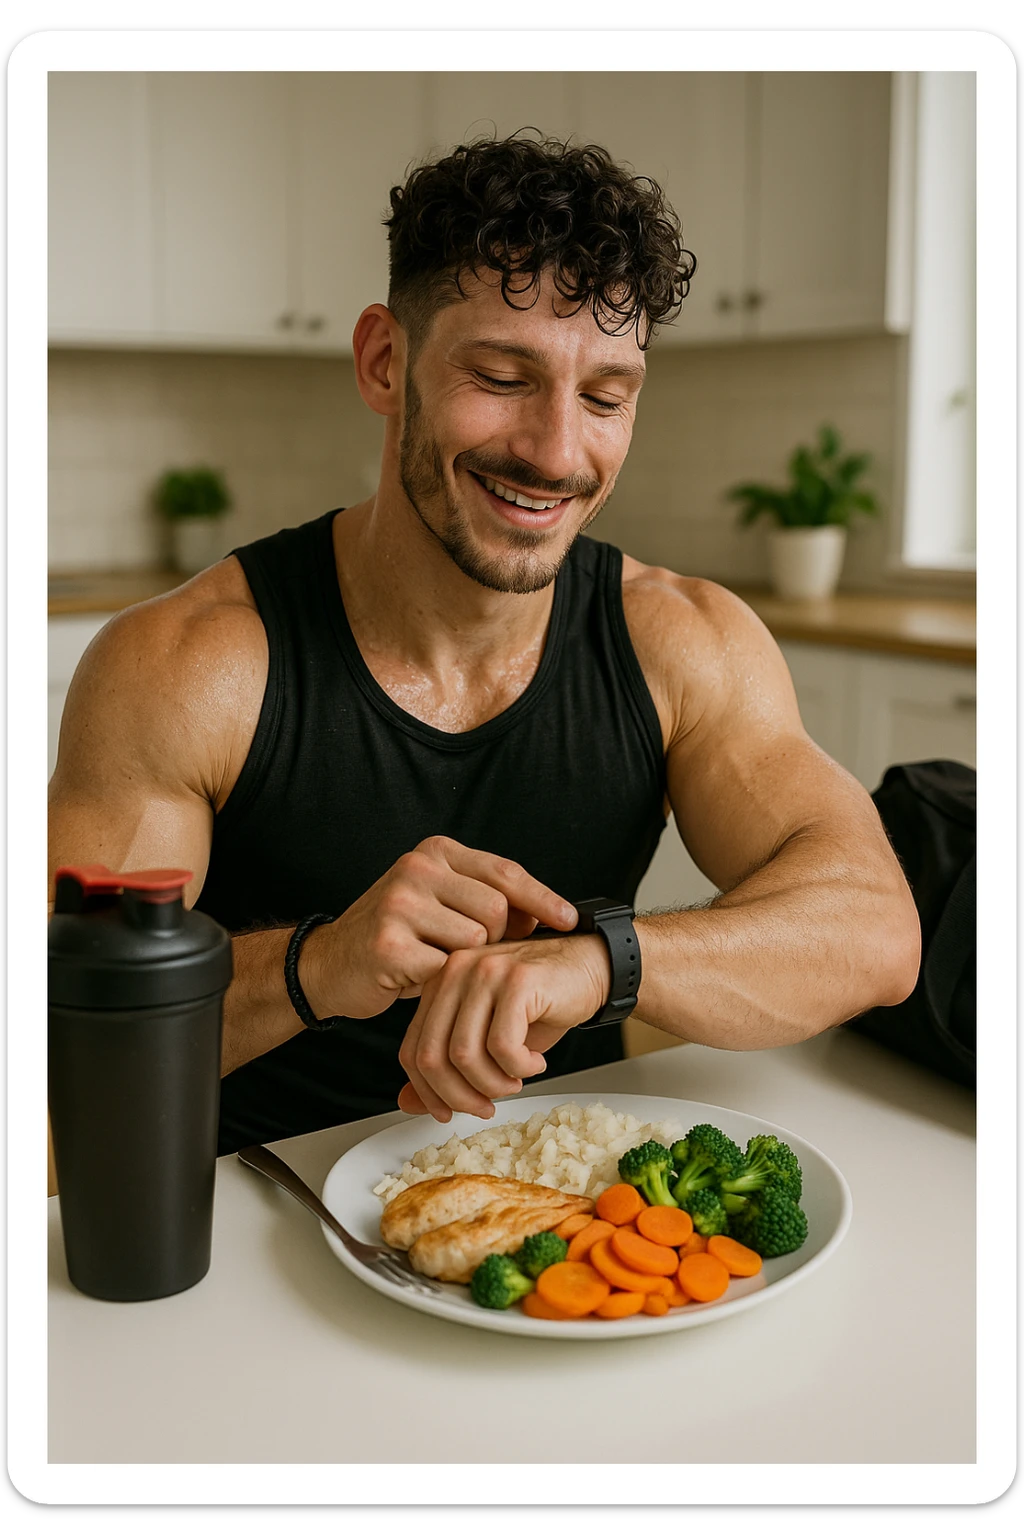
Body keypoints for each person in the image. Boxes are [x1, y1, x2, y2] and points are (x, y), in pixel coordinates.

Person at [47, 132, 921, 1174]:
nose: (557, 452)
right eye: (503, 376)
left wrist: (601, 963)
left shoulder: (681, 641)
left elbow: (873, 931)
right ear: (385, 361)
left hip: (567, 1216)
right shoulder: (190, 666)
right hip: (255, 1214)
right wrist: (315, 966)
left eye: (604, 396)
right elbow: (63, 1035)